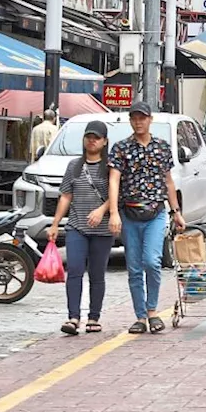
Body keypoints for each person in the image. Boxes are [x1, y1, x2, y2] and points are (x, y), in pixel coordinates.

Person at [109, 101, 185, 335]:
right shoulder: (121, 148)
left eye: (142, 117)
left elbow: (168, 181)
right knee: (133, 267)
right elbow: (114, 179)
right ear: (130, 121)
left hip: (155, 213)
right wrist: (113, 212)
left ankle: (152, 310)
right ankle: (140, 316)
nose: (138, 121)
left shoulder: (161, 147)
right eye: (134, 118)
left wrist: (176, 211)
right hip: (129, 213)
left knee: (152, 261)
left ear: (150, 119)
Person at [47, 121, 118, 335]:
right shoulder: (74, 166)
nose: (92, 140)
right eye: (89, 136)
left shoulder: (111, 168)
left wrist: (101, 210)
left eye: (96, 137)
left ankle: (94, 316)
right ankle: (73, 317)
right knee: (75, 270)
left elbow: (117, 195)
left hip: (103, 230)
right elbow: (66, 195)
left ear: (105, 141)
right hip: (77, 227)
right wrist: (55, 222)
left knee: (97, 274)